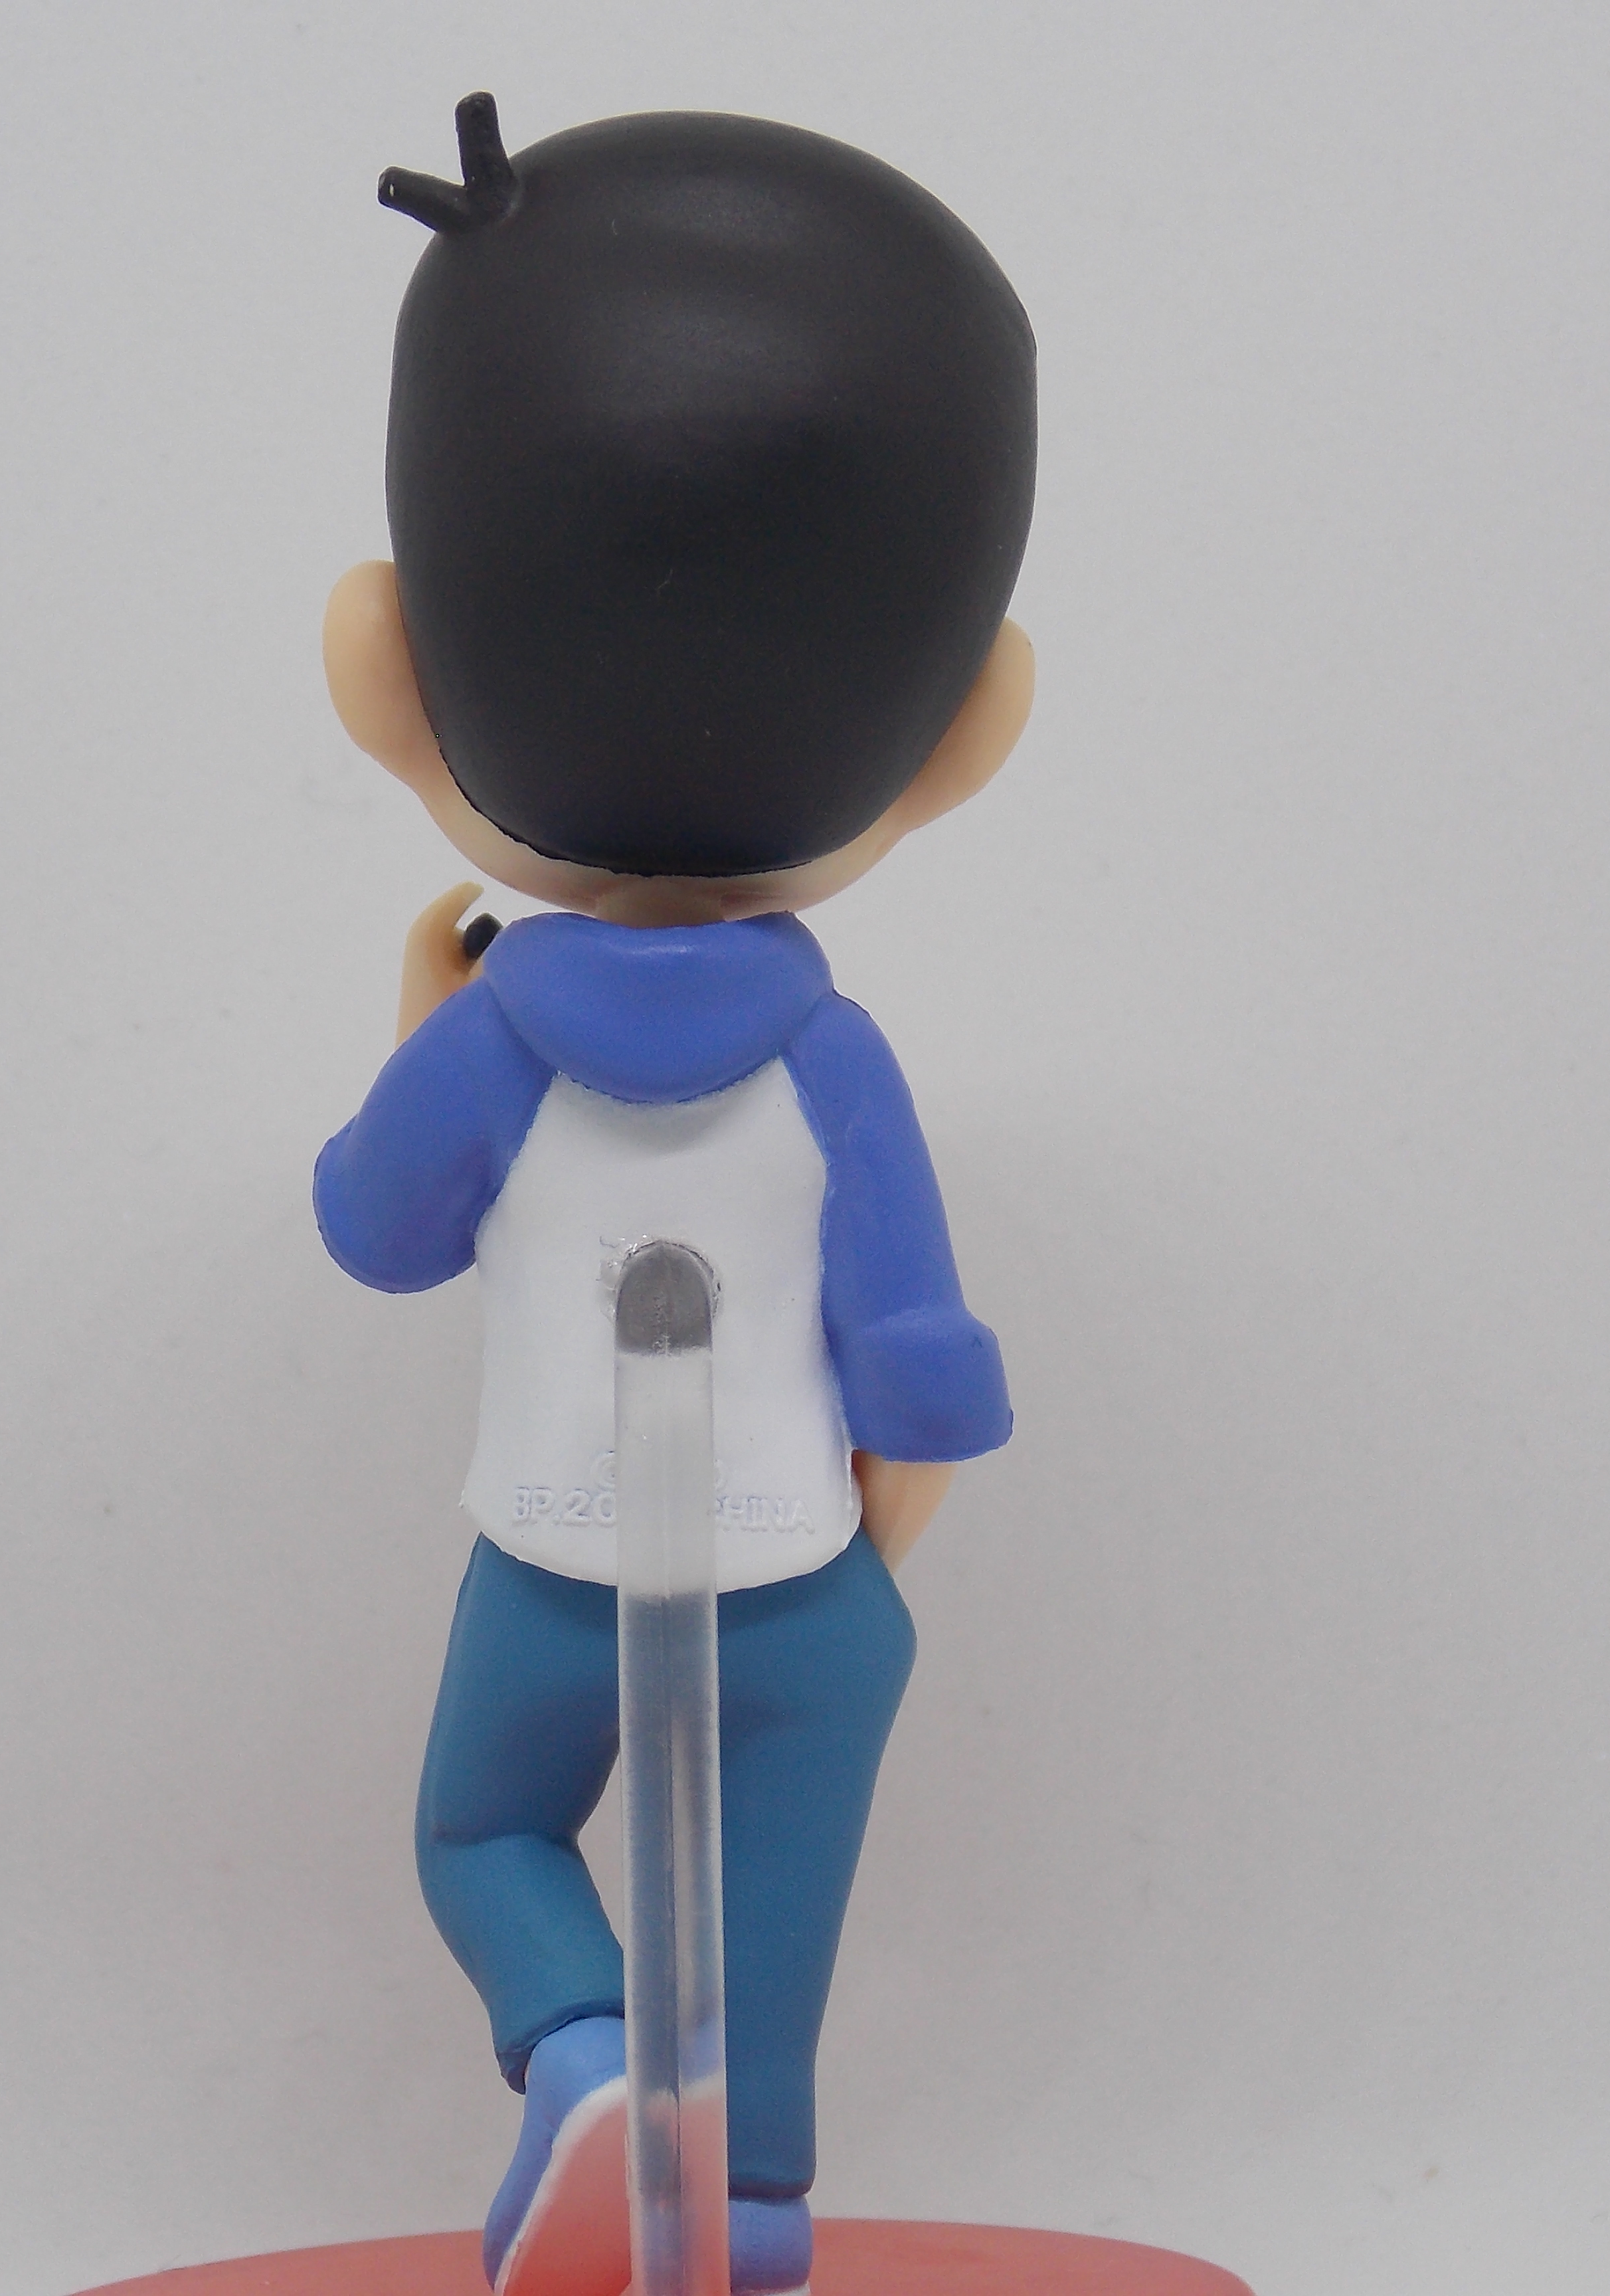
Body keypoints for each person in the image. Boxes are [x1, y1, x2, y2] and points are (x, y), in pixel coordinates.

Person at [312, 94, 1035, 2296]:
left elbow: (378, 1230)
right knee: (773, 1932)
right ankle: (755, 2209)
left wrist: (422, 1028)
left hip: (554, 1563)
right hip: (792, 1582)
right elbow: (918, 1366)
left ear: (385, 675)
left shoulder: (494, 1045)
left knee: (484, 1830)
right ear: (969, 732)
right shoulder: (834, 1061)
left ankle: (583, 2049)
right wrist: (854, 1547)